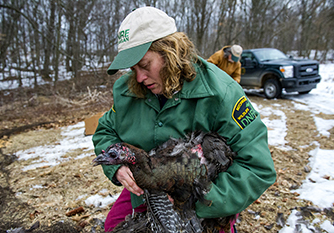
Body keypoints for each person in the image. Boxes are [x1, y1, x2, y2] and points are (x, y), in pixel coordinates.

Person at [92, 6, 276, 233]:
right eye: (132, 68)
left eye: (145, 65)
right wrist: (118, 167)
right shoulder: (128, 90)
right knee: (113, 228)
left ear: (170, 51)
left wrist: (200, 202)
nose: (138, 77)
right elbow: (105, 132)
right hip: (147, 189)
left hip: (206, 195)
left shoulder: (220, 93)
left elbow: (257, 168)